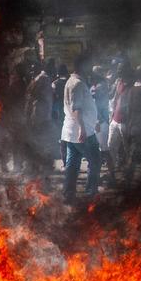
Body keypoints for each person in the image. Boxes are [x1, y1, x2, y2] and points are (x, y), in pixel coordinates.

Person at [61, 54, 101, 203]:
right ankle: (91, 193)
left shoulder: (72, 81)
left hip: (73, 131)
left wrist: (93, 121)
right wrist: (82, 129)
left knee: (72, 164)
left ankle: (68, 194)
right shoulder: (77, 84)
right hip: (83, 132)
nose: (91, 68)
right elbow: (76, 108)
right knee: (95, 161)